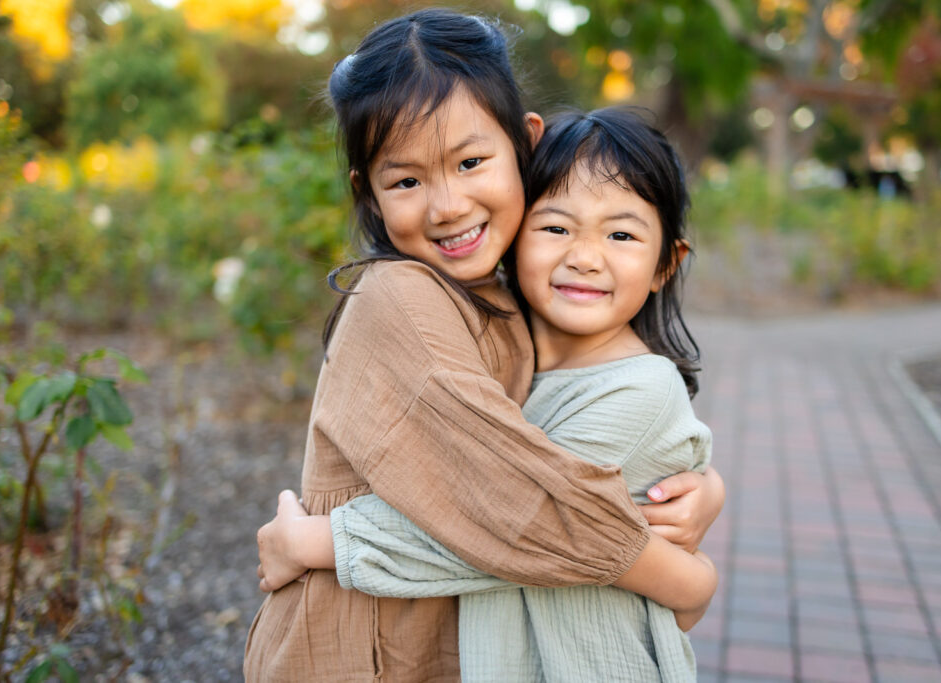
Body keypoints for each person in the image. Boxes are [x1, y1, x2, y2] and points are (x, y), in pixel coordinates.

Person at [244, 9, 723, 682]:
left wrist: (701, 482)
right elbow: (511, 503)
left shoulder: (501, 293)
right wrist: (685, 580)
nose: (446, 205)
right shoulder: (401, 298)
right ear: (369, 193)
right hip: (362, 646)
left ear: (525, 144)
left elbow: (554, 445)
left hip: (433, 627)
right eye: (406, 180)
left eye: (471, 161)